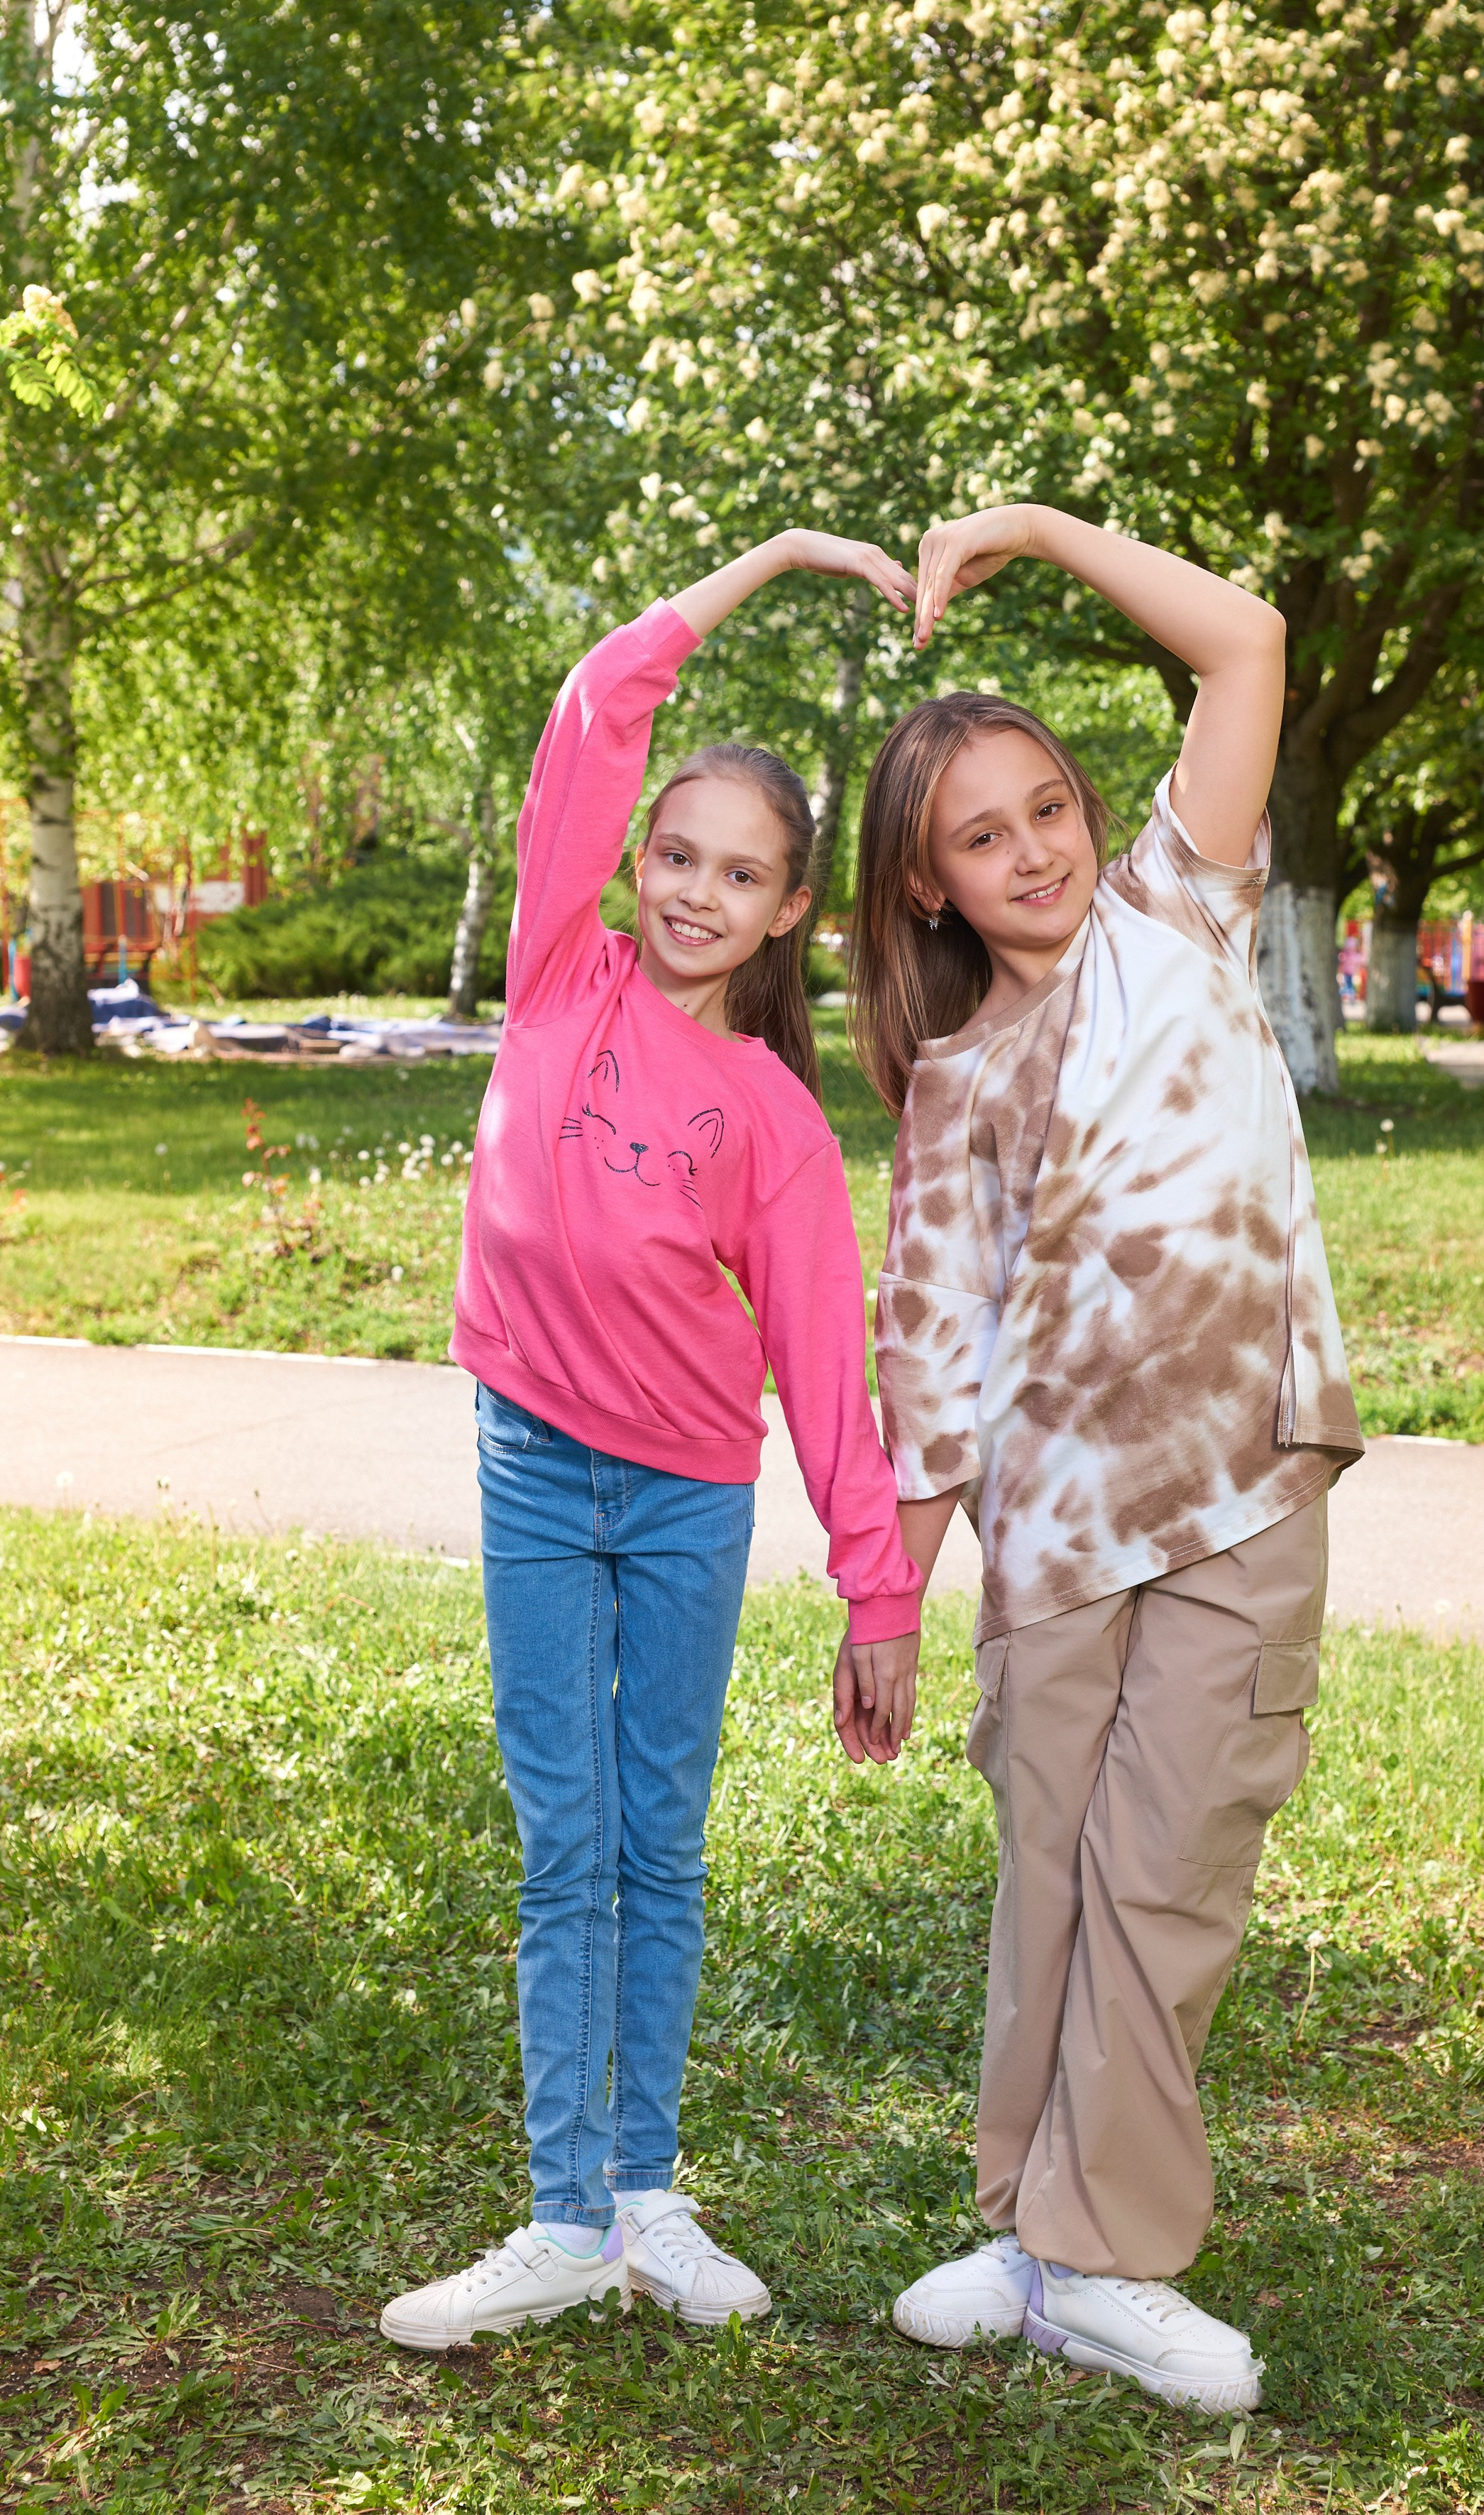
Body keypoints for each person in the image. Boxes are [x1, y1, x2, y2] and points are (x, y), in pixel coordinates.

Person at [380, 531, 925, 2352]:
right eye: (675, 853)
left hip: (688, 1496)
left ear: (787, 914)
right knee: (564, 1842)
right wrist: (763, 566)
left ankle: (645, 2193)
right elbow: (591, 708)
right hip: (534, 1467)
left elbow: (826, 1371)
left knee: (658, 1843)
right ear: (633, 861)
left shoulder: (772, 1117)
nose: (694, 889)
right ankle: (555, 2213)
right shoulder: (559, 974)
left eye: (741, 873)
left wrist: (880, 1591)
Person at [848, 503, 1363, 2412]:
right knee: (1053, 1879)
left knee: (1166, 1875)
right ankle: (1029, 2226)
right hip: (1053, 1540)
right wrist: (888, 1587)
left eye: (1045, 807)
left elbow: (1246, 643)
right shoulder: (956, 1078)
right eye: (980, 840)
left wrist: (1038, 534)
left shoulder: (1181, 910)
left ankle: (1107, 2259)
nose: (1032, 853)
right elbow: (936, 1349)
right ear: (930, 891)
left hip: (1241, 1485)